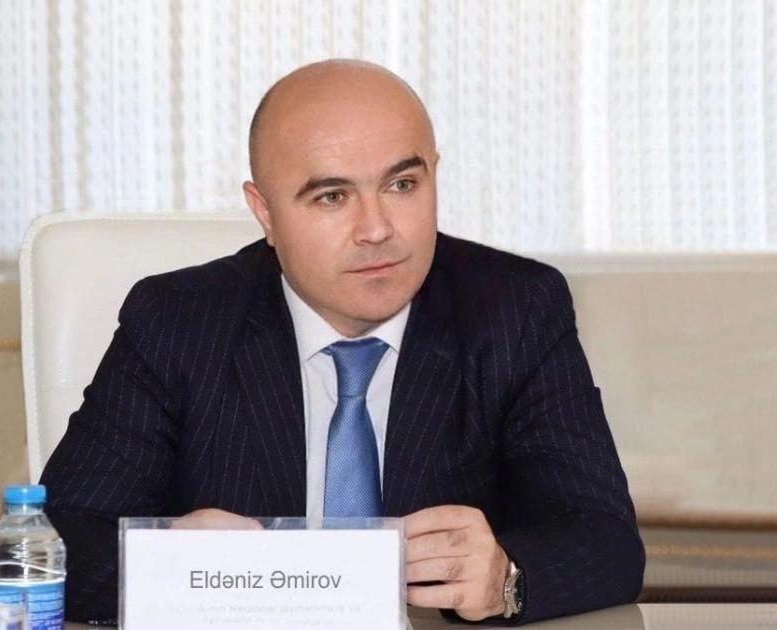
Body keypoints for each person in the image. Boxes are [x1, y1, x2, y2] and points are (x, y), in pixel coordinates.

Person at [41, 59, 645, 625]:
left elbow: (607, 540)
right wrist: (170, 563)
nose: (377, 229)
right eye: (332, 197)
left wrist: (507, 576)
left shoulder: (515, 310)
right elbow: (54, 542)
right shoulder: (179, 321)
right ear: (264, 212)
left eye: (402, 184)